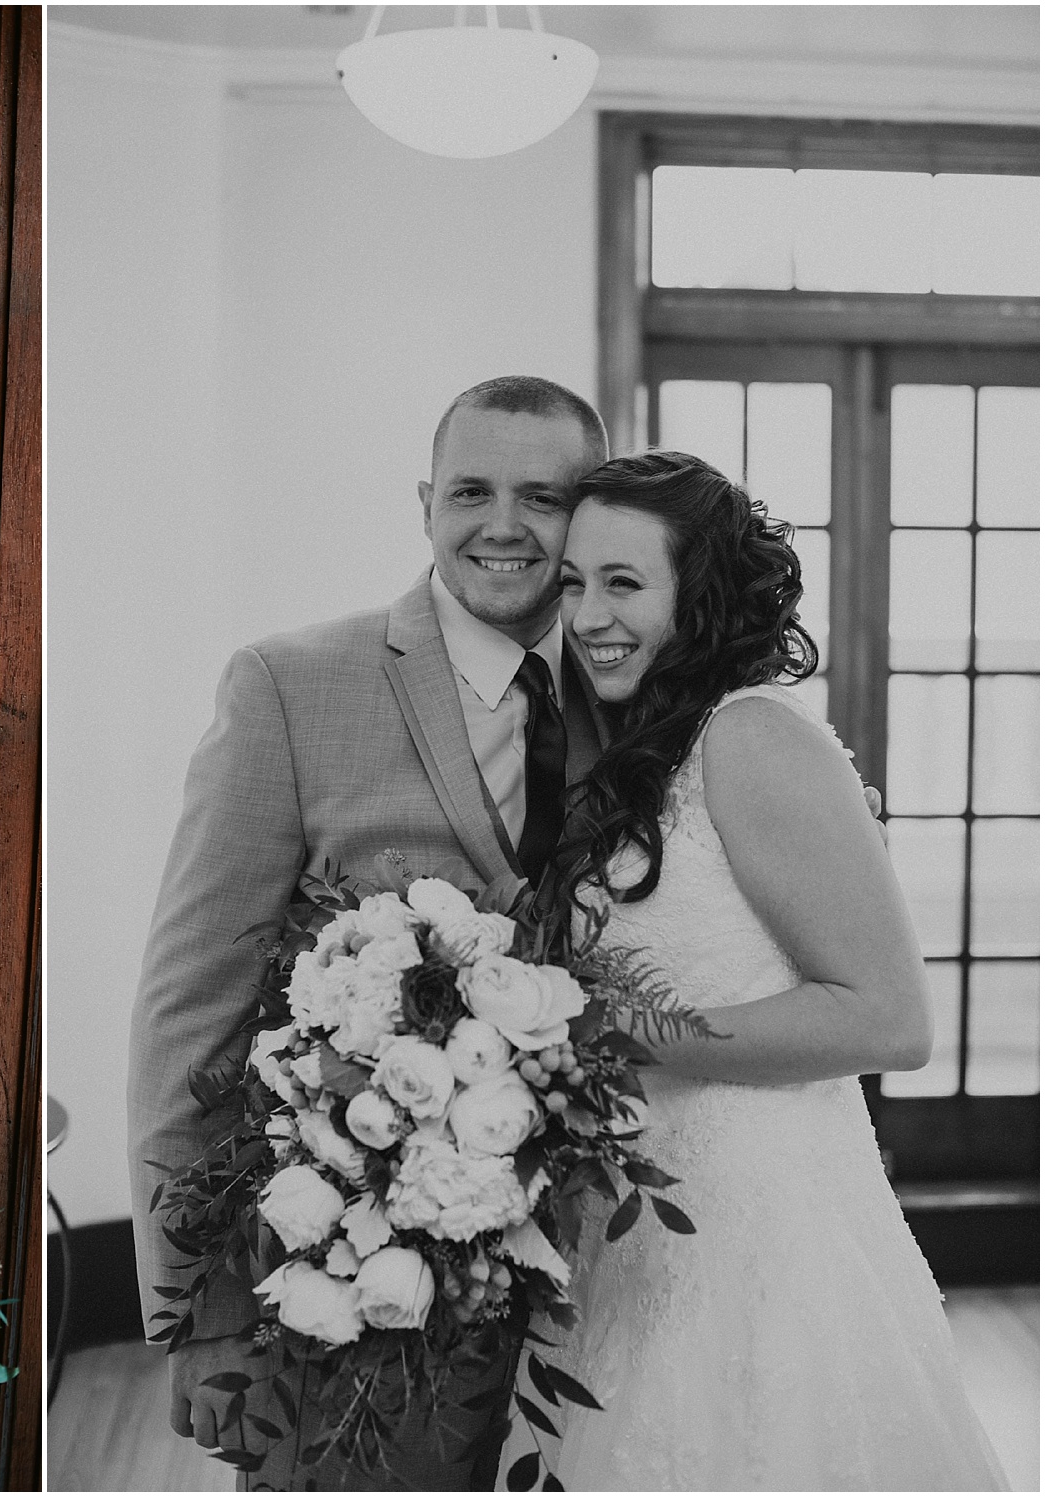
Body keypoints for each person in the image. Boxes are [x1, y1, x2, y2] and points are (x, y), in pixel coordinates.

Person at [129, 376, 610, 1489]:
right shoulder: (290, 685)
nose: (503, 524)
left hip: (595, 1297)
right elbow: (187, 1006)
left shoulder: (639, 692)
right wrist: (192, 1307)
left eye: (541, 498)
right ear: (423, 503)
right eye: (470, 491)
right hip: (347, 1285)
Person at [520, 450, 1007, 1490]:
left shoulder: (750, 740)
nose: (590, 614)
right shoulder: (617, 752)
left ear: (692, 598)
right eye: (572, 582)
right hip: (623, 1232)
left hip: (760, 1236)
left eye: (622, 582)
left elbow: (885, 1020)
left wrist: (617, 1037)